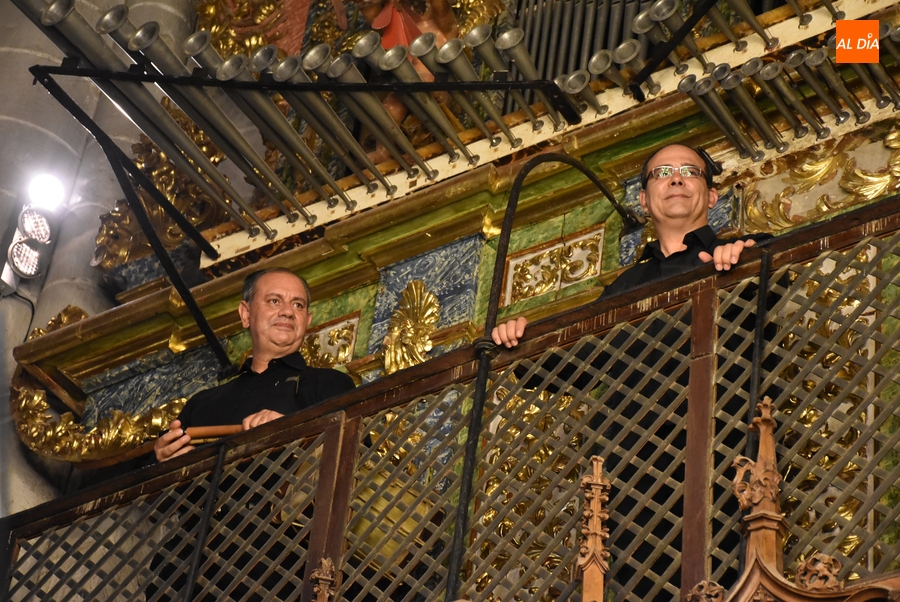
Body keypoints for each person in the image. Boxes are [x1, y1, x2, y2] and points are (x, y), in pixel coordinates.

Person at [491, 143, 764, 347]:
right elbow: (575, 362)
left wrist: (748, 262)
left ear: (712, 197)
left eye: (691, 172)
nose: (677, 178)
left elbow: (776, 288)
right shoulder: (624, 286)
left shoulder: (743, 251)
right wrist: (520, 338)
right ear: (643, 201)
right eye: (663, 172)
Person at [155, 267, 356, 462]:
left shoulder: (330, 383)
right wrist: (164, 461)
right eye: (274, 301)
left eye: (298, 305)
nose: (287, 311)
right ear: (246, 314)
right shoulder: (202, 405)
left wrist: (293, 431)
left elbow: (352, 455)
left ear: (307, 320)